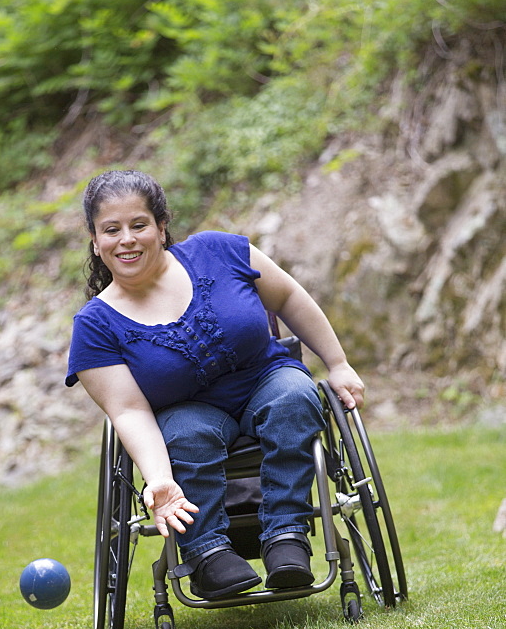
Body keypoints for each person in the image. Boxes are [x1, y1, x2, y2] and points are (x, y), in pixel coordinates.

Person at [65, 170, 364, 600]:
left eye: (139, 225)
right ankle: (208, 554)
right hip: (186, 409)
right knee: (186, 436)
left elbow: (289, 298)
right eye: (111, 230)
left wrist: (338, 364)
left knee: (295, 398)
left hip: (265, 376)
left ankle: (287, 537)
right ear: (96, 241)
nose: (126, 239)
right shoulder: (95, 325)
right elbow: (128, 411)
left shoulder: (219, 251)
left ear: (161, 226)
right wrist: (158, 479)